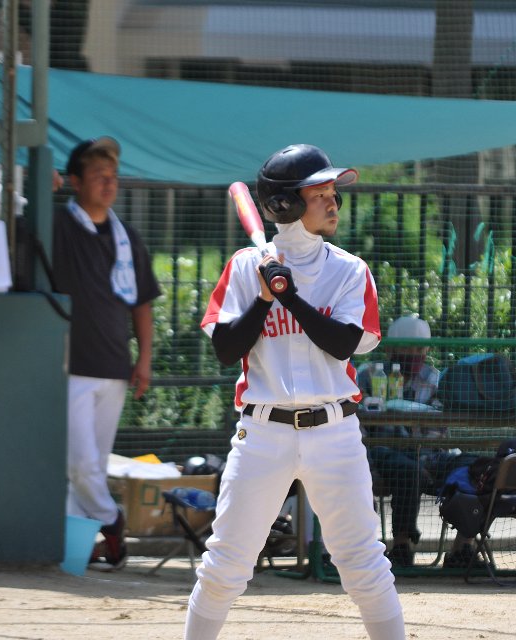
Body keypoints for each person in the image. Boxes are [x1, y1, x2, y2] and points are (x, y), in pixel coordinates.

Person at [189, 144, 404, 640]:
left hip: (335, 432)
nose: (334, 202)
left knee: (363, 563)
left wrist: (292, 297)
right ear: (284, 204)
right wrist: (265, 299)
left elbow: (343, 343)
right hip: (263, 433)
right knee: (225, 564)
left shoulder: (350, 270)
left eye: (333, 193)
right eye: (320, 193)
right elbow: (226, 349)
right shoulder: (246, 267)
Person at [52, 136, 162, 570]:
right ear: (75, 182)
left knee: (90, 467)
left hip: (114, 366)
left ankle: (82, 552)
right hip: (71, 366)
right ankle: (113, 523)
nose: (109, 183)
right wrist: (42, 191)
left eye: (113, 175)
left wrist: (144, 360)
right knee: (80, 466)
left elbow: (142, 304)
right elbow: (13, 227)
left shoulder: (126, 236)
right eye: (98, 175)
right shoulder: (58, 224)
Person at [356, 314, 482, 569]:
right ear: (390, 349)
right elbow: (359, 425)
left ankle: (462, 549)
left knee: (478, 467)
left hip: (428, 455)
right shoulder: (368, 374)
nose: (414, 355)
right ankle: (402, 547)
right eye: (407, 348)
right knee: (408, 470)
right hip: (383, 452)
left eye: (419, 349)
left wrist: (421, 447)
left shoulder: (435, 379)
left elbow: (438, 429)